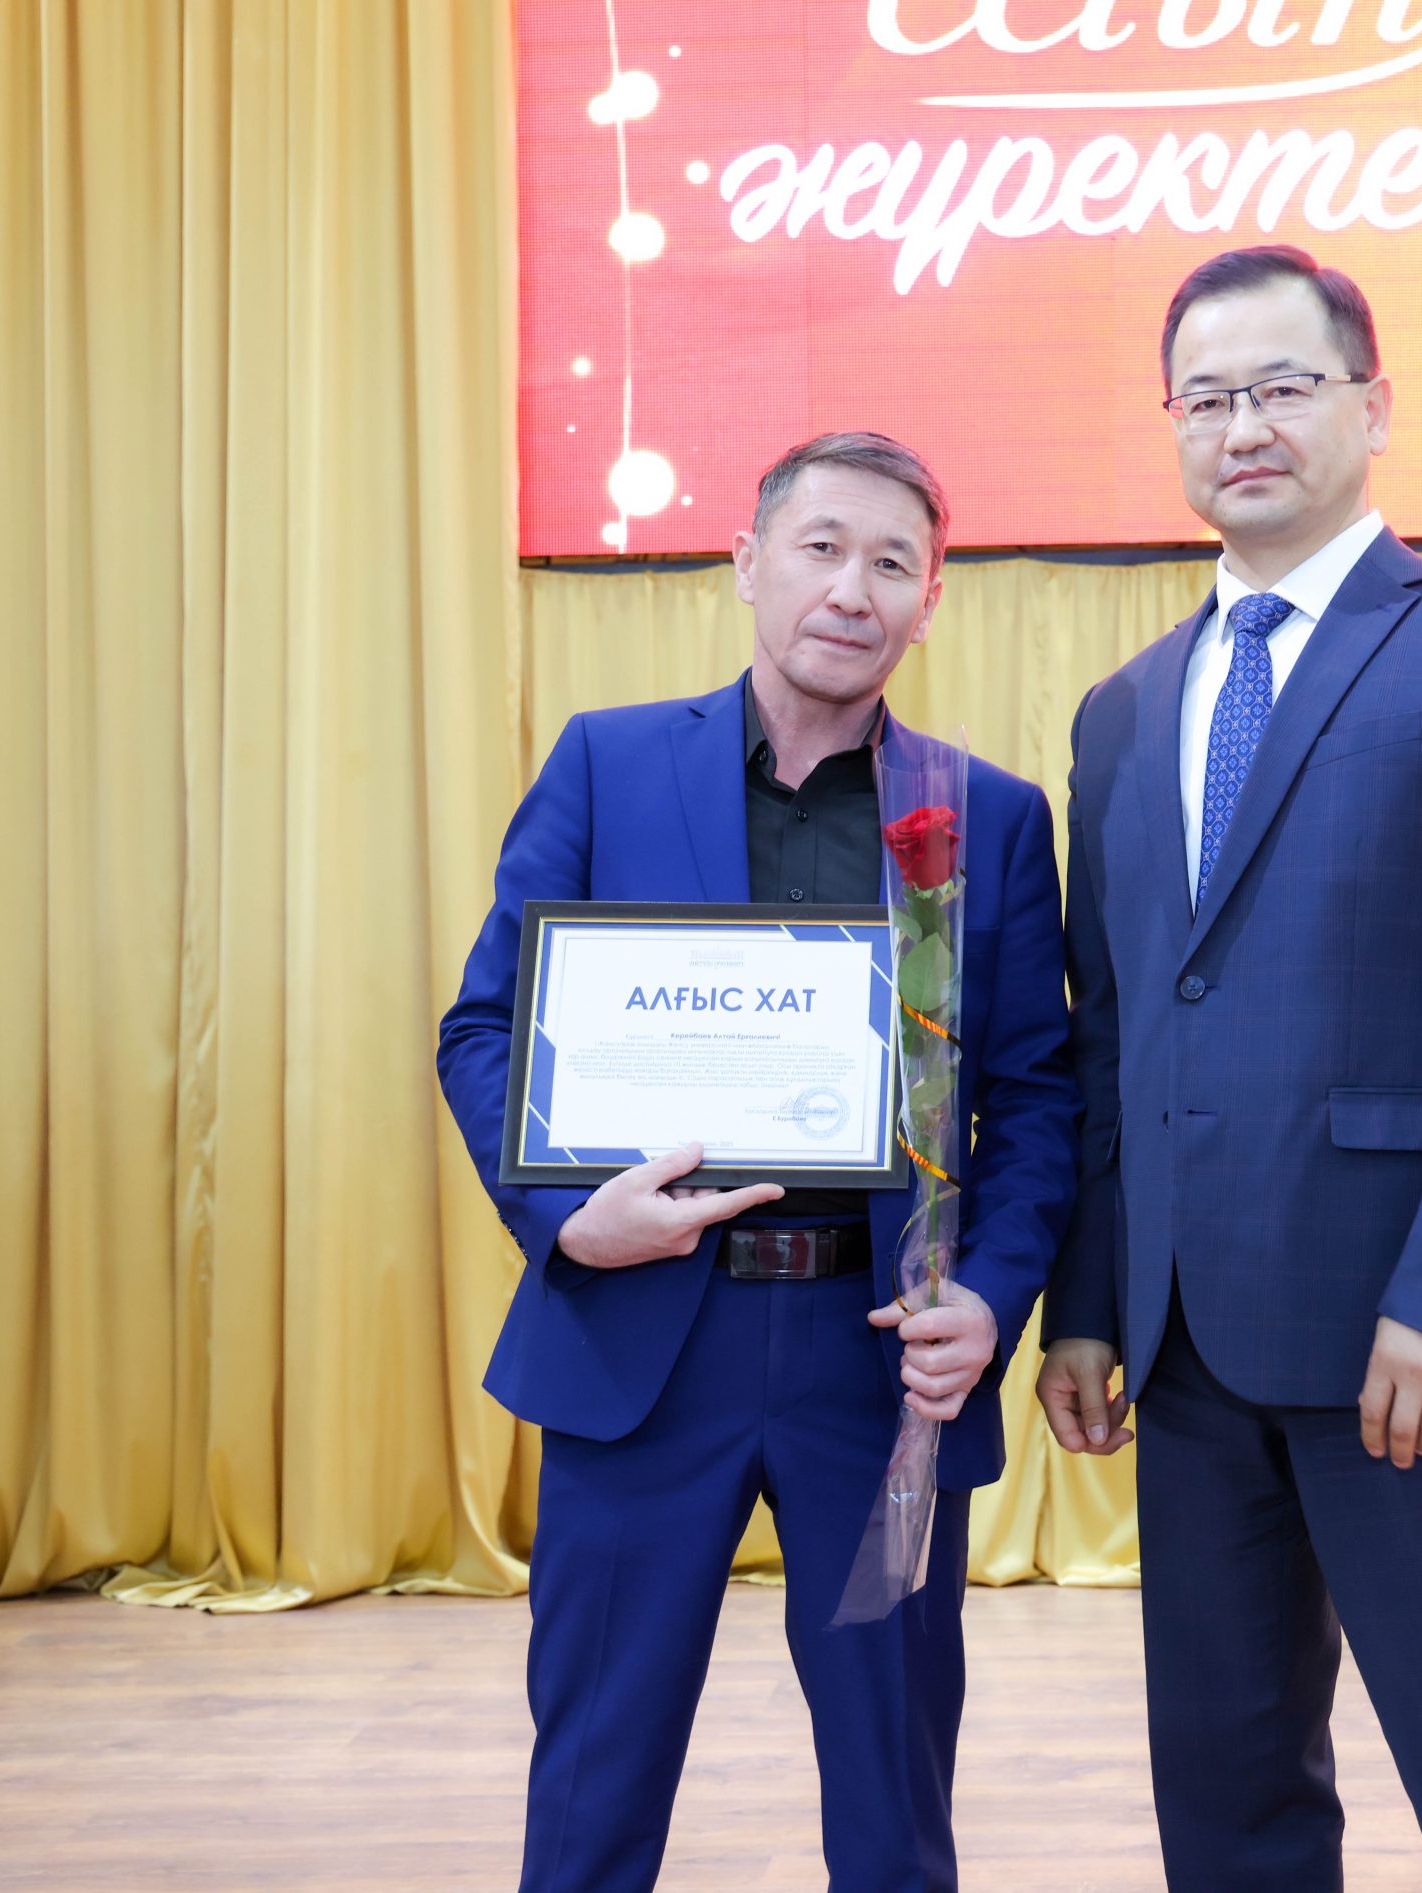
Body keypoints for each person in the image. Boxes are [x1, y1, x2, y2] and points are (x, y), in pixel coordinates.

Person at [1037, 246, 1422, 1891]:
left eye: (1284, 386)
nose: (1244, 425)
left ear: (1372, 407)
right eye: (1206, 397)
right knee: (1228, 1808)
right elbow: (1112, 1030)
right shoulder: (1122, 711)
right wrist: (1090, 1299)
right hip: (1185, 1354)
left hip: (1410, 1348)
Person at [439, 432, 1077, 1893]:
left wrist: (988, 1295)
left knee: (894, 1796)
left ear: (929, 603)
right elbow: (486, 1027)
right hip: (644, 1345)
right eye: (821, 546)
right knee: (593, 1788)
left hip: (882, 1362)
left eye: (893, 563)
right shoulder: (606, 763)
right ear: (745, 563)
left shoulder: (987, 815)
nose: (853, 588)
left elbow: (1038, 1100)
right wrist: (566, 1220)